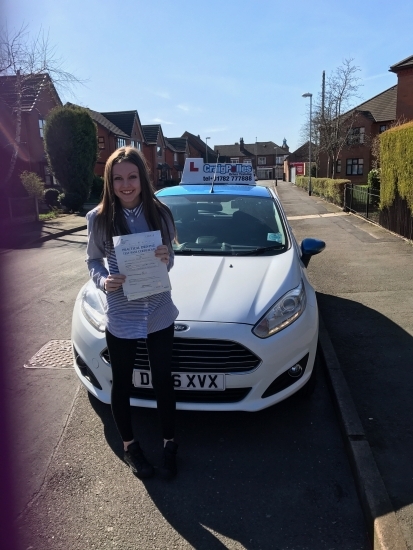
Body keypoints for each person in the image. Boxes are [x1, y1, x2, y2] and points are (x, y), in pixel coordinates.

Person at [85, 146, 179, 480]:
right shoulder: (99, 218)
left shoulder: (160, 213)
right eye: (118, 178)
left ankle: (170, 442)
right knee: (121, 384)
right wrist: (103, 280)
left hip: (158, 312)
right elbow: (93, 261)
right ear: (110, 182)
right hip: (122, 316)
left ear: (143, 178)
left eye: (132, 177)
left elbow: (171, 260)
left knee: (163, 382)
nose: (126, 185)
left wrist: (166, 257)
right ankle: (130, 446)